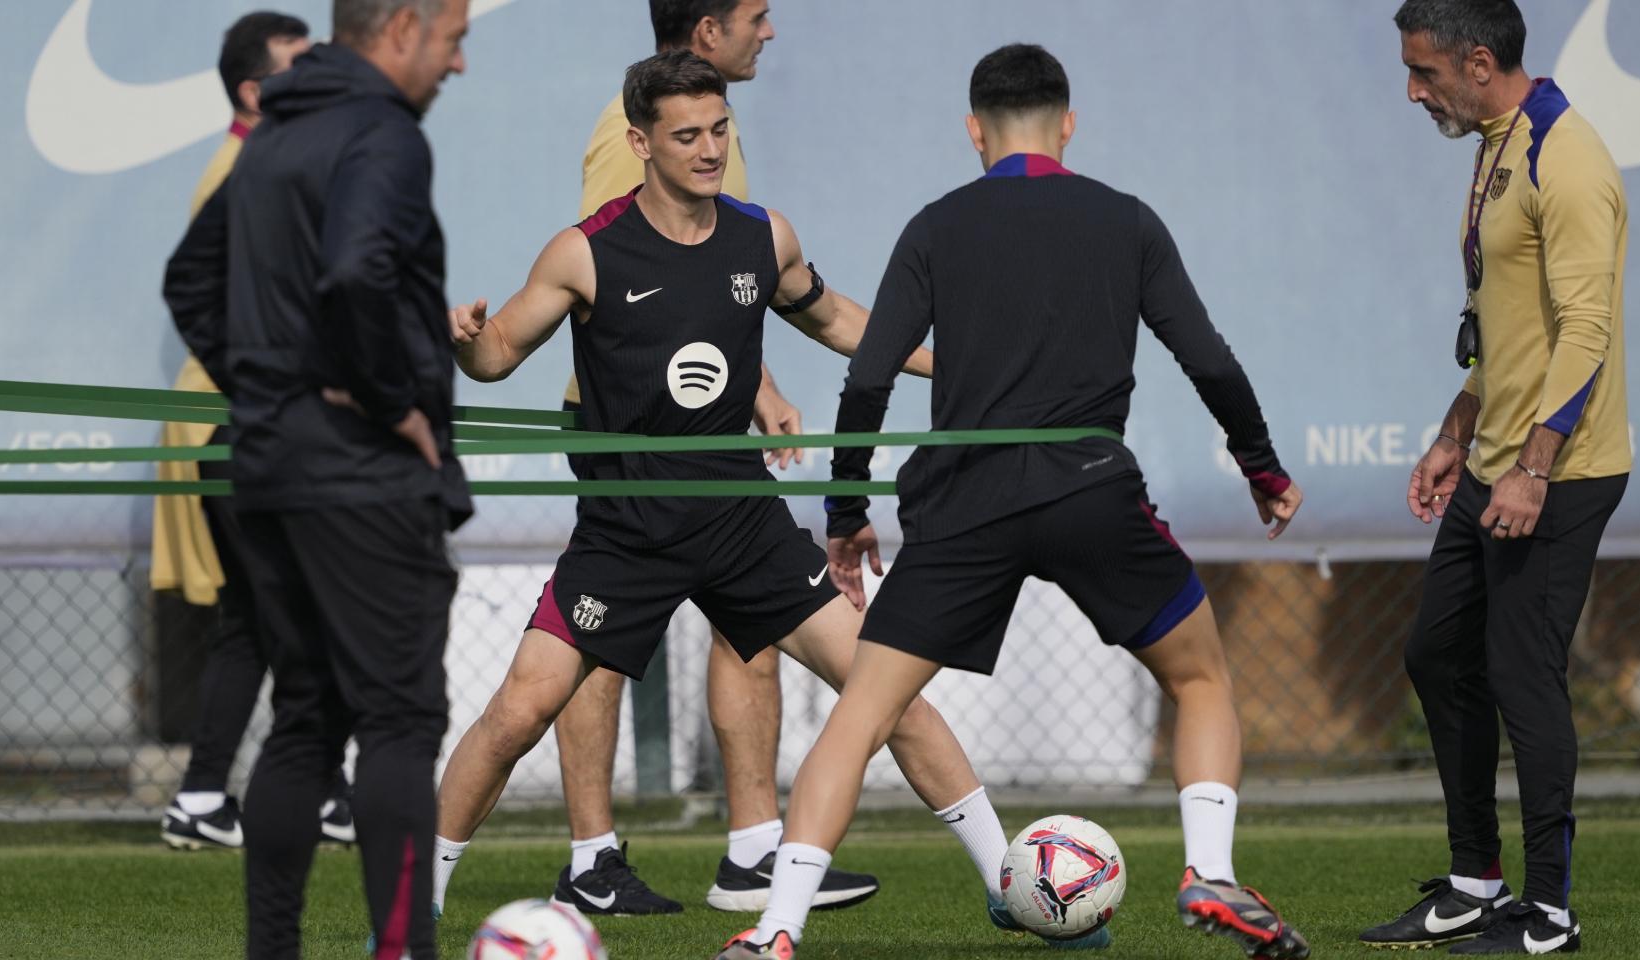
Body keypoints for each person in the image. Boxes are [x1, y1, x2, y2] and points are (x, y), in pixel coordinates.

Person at [718, 44, 1311, 960]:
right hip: (1090, 490)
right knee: (1200, 679)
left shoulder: (935, 226)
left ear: (974, 131)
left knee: (859, 719)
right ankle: (1210, 874)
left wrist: (843, 516)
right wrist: (1262, 467)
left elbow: (867, 378)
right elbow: (1210, 359)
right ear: (1067, 125)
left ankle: (775, 933)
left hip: (965, 503)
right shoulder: (1127, 220)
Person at [429, 50, 1004, 937]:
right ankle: (412, 905)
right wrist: (465, 343)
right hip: (627, 531)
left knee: (884, 686)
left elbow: (840, 319)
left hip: (742, 520)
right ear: (641, 142)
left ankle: (1013, 885)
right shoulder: (586, 252)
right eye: (686, 135)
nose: (707, 150)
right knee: (520, 709)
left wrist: (950, 362)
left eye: (719, 131)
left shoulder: (761, 236)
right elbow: (499, 353)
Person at [519, 0, 858, 918]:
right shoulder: (628, 135)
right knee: (595, 642)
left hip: (703, 420)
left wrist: (760, 388)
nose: (771, 31)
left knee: (746, 615)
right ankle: (592, 853)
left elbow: (720, 292)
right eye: (755, 14)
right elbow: (635, 293)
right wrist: (756, 390)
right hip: (627, 426)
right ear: (705, 29)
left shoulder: (706, 126)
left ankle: (753, 848)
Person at [163, 0, 473, 956]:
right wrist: (391, 403)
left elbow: (188, 280)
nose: (459, 65)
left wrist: (272, 387)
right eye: (454, 41)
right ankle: (401, 947)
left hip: (265, 465)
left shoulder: (273, 132)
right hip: (362, 479)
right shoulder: (381, 132)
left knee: (304, 718)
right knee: (401, 720)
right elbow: (354, 273)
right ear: (403, 28)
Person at [1363, 1, 1629, 953]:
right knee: (1437, 656)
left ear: (1479, 62)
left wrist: (1533, 469)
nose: (1411, 90)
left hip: (1560, 471)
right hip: (1493, 461)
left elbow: (1586, 334)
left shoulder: (1568, 154)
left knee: (1524, 679)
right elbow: (1515, 330)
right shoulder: (1495, 140)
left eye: (1423, 72)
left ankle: (1549, 914)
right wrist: (1456, 433)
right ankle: (1476, 881)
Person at [152, 10, 358, 854]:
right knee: (300, 607)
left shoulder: (264, 161)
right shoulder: (248, 166)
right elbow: (221, 299)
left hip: (233, 426)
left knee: (259, 617)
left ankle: (206, 796)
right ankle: (322, 794)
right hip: (235, 430)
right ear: (253, 89)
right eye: (296, 66)